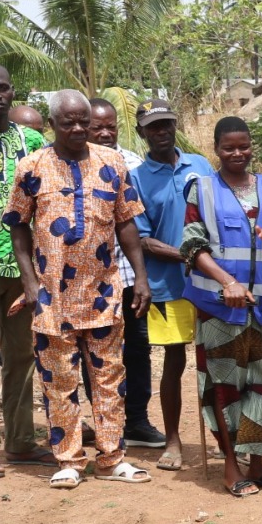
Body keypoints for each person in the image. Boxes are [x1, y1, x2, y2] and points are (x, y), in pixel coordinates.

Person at [3, 92, 151, 489]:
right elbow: (18, 225)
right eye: (69, 122)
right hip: (51, 297)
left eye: (83, 120)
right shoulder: (32, 167)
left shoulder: (112, 162)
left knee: (109, 379)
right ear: (53, 124)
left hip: (103, 294)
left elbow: (126, 223)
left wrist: (140, 277)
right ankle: (68, 460)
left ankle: (112, 458)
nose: (79, 128)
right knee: (59, 381)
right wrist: (29, 282)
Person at [180, 119, 262, 497]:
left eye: (243, 146)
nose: (237, 153)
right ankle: (231, 464)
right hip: (219, 309)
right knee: (223, 386)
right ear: (216, 148)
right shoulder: (202, 190)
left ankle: (257, 461)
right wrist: (226, 282)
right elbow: (192, 246)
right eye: (228, 147)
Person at [129, 100, 214, 471]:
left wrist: (208, 263)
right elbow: (142, 239)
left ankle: (224, 438)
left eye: (166, 124)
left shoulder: (201, 165)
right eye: (153, 126)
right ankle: (174, 440)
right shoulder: (136, 178)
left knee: (216, 360)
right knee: (174, 362)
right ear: (141, 132)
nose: (161, 131)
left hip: (210, 281)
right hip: (168, 285)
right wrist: (189, 255)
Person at [86, 98, 162, 452]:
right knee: (95, 352)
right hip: (87, 281)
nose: (105, 133)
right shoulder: (66, 164)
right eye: (97, 127)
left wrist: (143, 278)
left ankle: (137, 421)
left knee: (137, 349)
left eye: (110, 126)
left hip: (128, 275)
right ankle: (105, 421)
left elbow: (135, 224)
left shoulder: (131, 164)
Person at [0, 66, 49, 475]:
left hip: (19, 267)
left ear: (12, 92)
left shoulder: (29, 141)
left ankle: (19, 442)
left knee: (20, 357)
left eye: (3, 88)